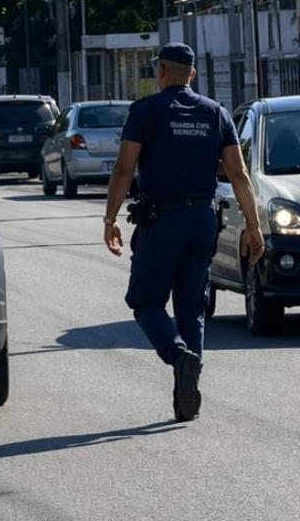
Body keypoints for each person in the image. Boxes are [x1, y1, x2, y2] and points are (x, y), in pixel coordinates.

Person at [104, 42, 264, 423]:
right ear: (192, 74)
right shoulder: (216, 113)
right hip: (204, 221)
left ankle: (178, 357)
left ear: (160, 73)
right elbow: (238, 174)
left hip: (163, 221)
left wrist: (109, 218)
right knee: (192, 308)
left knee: (145, 302)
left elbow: (125, 169)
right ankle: (187, 386)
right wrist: (254, 227)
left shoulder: (146, 111)